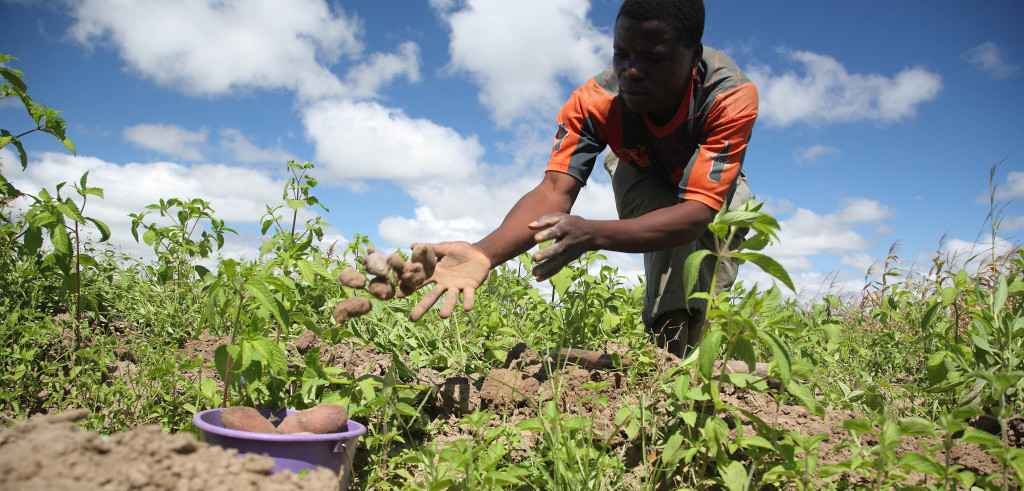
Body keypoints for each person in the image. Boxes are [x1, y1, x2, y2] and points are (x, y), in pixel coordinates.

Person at [410, 0, 757, 357]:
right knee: (672, 254)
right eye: (621, 54)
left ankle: (692, 361)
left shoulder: (727, 96)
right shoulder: (595, 102)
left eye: (653, 58)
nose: (631, 72)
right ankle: (668, 363)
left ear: (692, 54)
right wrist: (483, 253)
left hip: (707, 181)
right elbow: (554, 190)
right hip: (639, 168)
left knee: (711, 277)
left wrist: (591, 234)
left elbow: (696, 213)